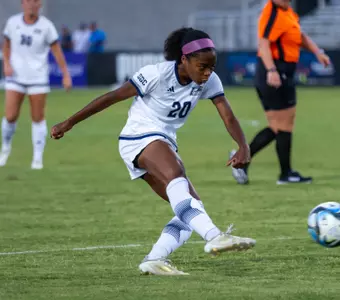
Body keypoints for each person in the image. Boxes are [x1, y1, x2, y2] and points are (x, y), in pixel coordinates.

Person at [50, 28, 256, 275]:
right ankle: (214, 236)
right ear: (184, 59)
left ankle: (154, 259)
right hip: (138, 136)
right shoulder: (156, 74)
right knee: (176, 175)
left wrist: (243, 145)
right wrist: (69, 122)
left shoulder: (209, 81)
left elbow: (228, 115)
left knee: (192, 209)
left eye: (211, 67)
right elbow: (112, 97)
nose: (208, 72)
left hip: (163, 141)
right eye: (202, 66)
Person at [230, 0, 330, 185]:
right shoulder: (272, 13)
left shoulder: (287, 11)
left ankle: (244, 160)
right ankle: (282, 173)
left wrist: (317, 51)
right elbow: (264, 43)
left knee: (280, 125)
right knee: (282, 125)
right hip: (275, 72)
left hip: (281, 72)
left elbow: (299, 35)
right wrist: (272, 71)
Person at [1, 0, 72, 169]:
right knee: (10, 116)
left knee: (37, 117)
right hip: (16, 77)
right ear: (22, 4)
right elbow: (6, 45)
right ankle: (5, 148)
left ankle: (37, 158)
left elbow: (57, 51)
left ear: (39, 5)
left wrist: (65, 74)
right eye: (28, 2)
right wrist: (6, 64)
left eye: (35, 2)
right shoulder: (13, 23)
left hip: (38, 77)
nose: (32, 5)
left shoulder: (47, 26)